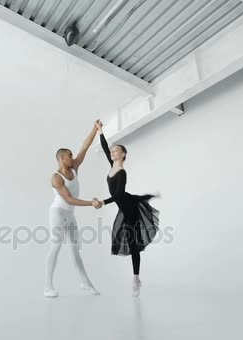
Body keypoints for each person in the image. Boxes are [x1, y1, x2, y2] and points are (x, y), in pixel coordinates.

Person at [93, 120, 160, 297]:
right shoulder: (111, 165)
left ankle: (136, 278)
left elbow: (118, 196)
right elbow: (105, 145)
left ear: (123, 155)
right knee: (136, 198)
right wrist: (100, 131)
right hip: (125, 204)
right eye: (112, 150)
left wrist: (102, 202)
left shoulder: (122, 172)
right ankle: (149, 196)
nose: (112, 152)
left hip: (130, 210)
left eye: (116, 150)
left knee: (133, 245)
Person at [44, 121, 102, 298]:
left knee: (75, 249)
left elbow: (84, 147)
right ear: (62, 158)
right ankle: (48, 287)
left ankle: (85, 283)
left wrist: (95, 128)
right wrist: (91, 203)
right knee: (55, 246)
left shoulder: (74, 167)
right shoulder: (56, 177)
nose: (73, 157)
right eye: (69, 155)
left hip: (70, 215)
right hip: (58, 213)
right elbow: (68, 199)